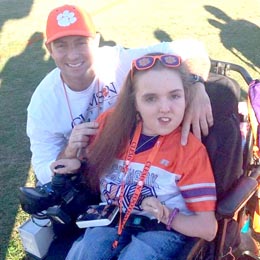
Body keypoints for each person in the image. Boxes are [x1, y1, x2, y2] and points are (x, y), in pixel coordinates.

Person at [52, 53, 218, 260]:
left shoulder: (190, 151)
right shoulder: (110, 126)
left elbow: (207, 228)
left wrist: (165, 214)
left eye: (174, 95)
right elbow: (84, 163)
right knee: (88, 251)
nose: (165, 108)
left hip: (161, 230)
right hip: (110, 221)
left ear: (186, 96)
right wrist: (71, 156)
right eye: (150, 98)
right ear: (135, 102)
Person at [26, 4, 213, 185]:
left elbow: (192, 49)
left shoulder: (116, 61)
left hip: (132, 161)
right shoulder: (43, 103)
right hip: (87, 176)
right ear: (49, 49)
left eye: (81, 43)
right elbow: (43, 169)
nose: (73, 55)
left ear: (96, 41)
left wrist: (196, 85)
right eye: (61, 46)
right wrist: (69, 152)